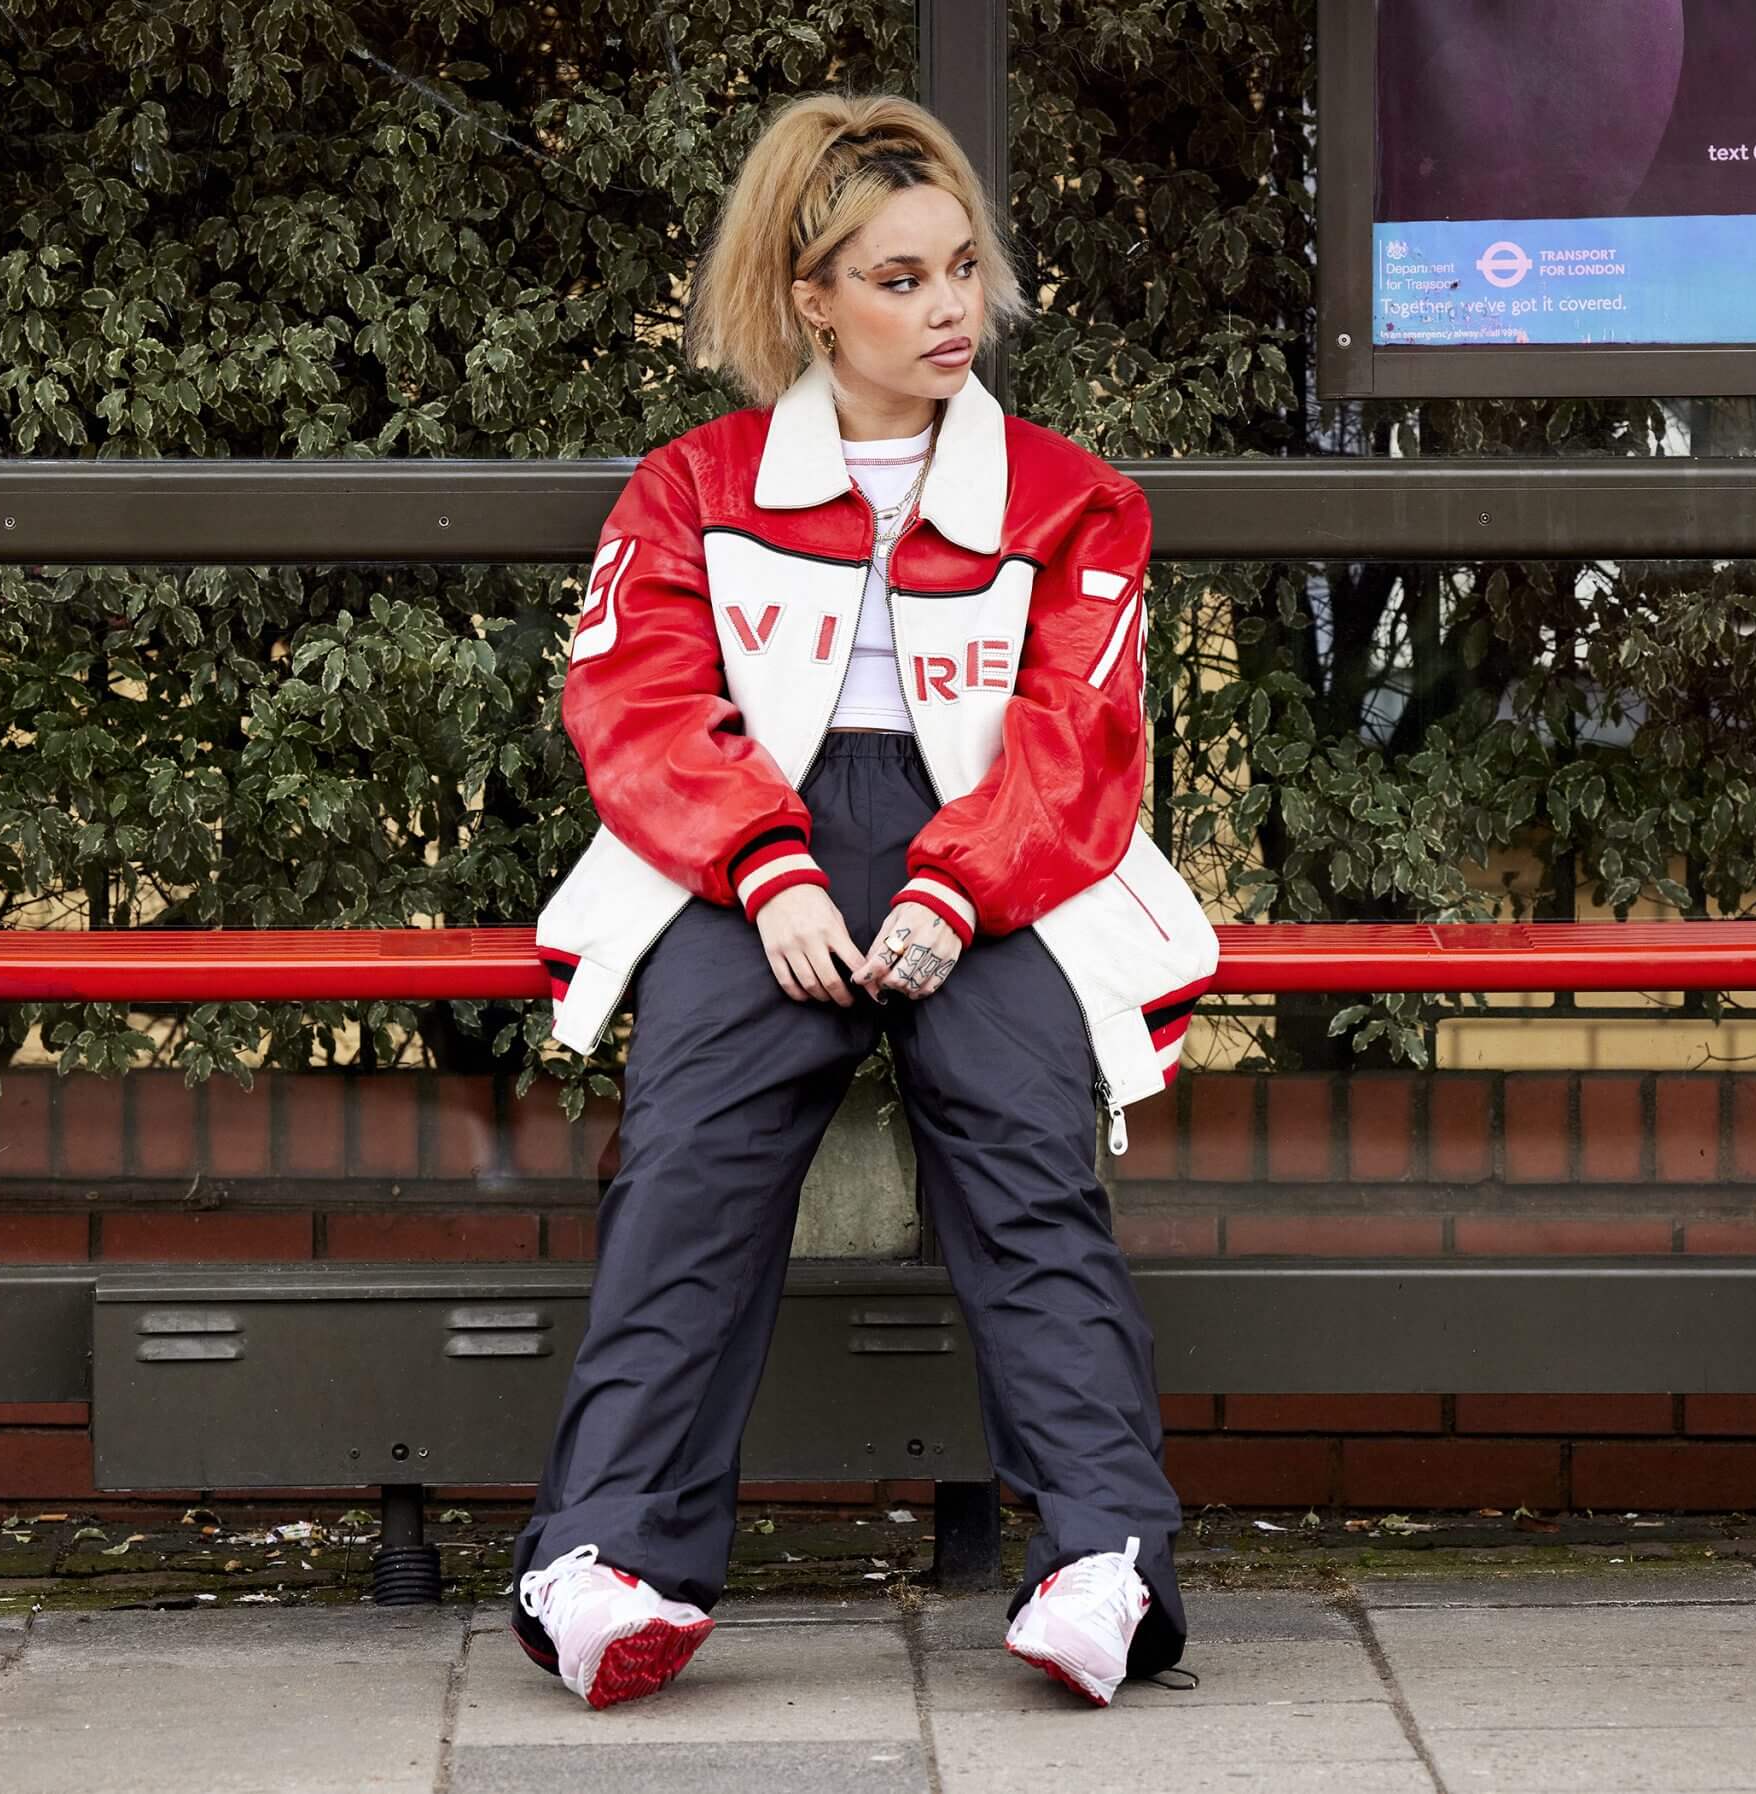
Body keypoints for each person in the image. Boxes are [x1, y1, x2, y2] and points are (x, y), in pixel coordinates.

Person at [513, 89, 1219, 1711]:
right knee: (690, 1152)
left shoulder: (1072, 497)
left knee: (1028, 1154)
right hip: (749, 846)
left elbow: (1077, 734)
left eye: (961, 268)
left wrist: (960, 893)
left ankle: (1107, 1566)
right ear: (809, 295)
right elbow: (638, 699)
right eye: (898, 278)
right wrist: (765, 868)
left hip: (1000, 851)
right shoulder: (693, 486)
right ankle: (608, 1562)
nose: (948, 307)